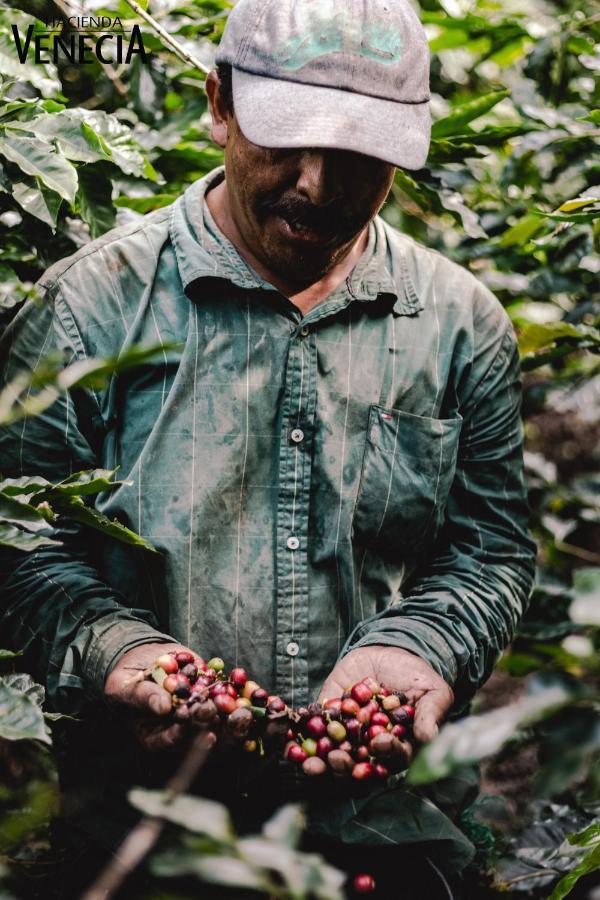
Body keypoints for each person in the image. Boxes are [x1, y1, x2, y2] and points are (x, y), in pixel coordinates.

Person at [0, 0, 536, 896]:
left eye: (359, 154)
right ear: (220, 105)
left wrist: (421, 648)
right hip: (146, 840)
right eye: (287, 141)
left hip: (385, 832)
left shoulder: (458, 325)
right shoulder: (86, 311)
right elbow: (20, 545)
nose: (318, 185)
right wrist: (115, 651)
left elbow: (488, 548)